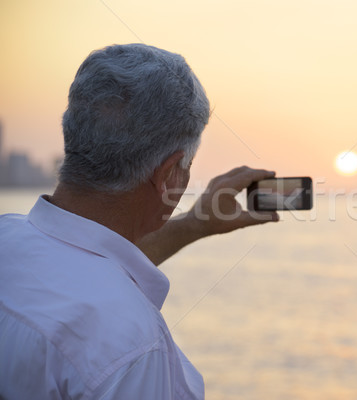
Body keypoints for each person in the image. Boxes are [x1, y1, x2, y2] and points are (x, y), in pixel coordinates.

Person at [0, 43, 278, 399]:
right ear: (168, 176)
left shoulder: (8, 237)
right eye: (187, 166)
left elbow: (84, 263)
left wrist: (195, 223)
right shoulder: (130, 348)